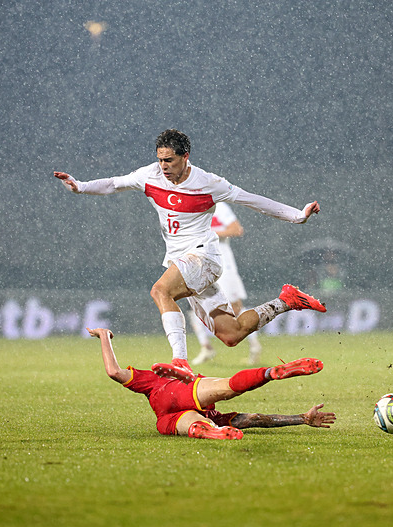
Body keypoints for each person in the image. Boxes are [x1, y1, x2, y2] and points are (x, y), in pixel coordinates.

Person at [54, 129, 326, 379]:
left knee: (160, 290)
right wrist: (81, 186)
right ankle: (286, 301)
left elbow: (251, 199)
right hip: (181, 262)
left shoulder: (207, 183)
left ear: (186, 157)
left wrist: (297, 216)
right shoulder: (150, 176)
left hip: (202, 257)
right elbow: (115, 184)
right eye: (160, 159)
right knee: (232, 334)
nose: (164, 166)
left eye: (169, 160)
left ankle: (180, 361)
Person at [87, 327, 335, 440]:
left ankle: (211, 432)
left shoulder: (149, 381)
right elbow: (255, 419)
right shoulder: (156, 380)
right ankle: (269, 372)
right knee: (227, 386)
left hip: (167, 409)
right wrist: (301, 418)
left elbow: (113, 371)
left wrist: (103, 336)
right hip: (188, 388)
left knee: (197, 422)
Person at [188, 202, 262, 366]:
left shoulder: (219, 207)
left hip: (222, 260)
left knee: (234, 306)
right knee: (194, 303)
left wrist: (209, 234)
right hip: (201, 261)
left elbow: (236, 229)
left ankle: (254, 345)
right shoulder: (189, 208)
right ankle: (206, 347)